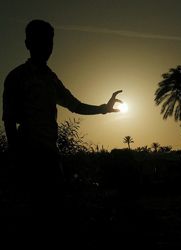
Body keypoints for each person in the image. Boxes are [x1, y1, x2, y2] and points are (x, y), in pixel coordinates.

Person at [2, 19, 122, 237]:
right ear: (28, 43)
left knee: (54, 220)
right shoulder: (16, 77)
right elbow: (9, 120)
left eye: (49, 42)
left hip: (51, 157)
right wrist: (16, 157)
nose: (46, 47)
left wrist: (104, 108)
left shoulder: (51, 79)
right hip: (28, 157)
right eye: (40, 41)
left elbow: (75, 106)